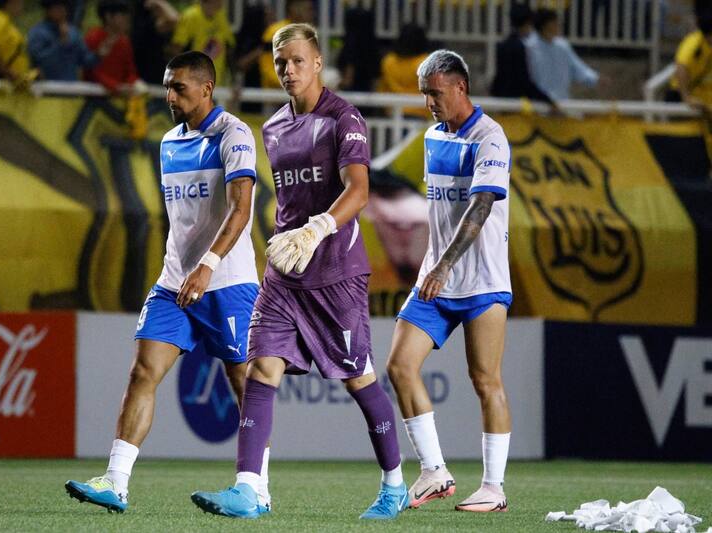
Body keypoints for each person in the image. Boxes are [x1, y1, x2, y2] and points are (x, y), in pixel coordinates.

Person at [190, 23, 408, 521]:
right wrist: (290, 239)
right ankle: (250, 489)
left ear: (317, 64)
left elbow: (358, 191)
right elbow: (290, 199)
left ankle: (394, 484)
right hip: (286, 275)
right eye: (279, 61)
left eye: (296, 60)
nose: (287, 69)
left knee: (359, 380)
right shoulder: (272, 127)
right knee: (259, 369)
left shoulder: (344, 119)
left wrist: (317, 229)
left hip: (336, 274)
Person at [65, 51, 271, 514]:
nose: (169, 95)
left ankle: (256, 489)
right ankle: (115, 483)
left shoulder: (234, 134)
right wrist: (184, 267)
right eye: (166, 86)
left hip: (228, 282)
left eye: (178, 87)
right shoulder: (168, 142)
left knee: (245, 385)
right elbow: (183, 221)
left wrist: (208, 265)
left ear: (206, 88)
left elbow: (241, 211)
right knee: (142, 372)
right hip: (175, 282)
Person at [385, 49, 513, 513]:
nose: (428, 103)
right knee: (399, 366)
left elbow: (480, 208)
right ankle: (434, 470)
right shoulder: (432, 137)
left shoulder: (491, 138)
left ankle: (493, 489)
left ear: (460, 87)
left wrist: (444, 265)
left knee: (485, 380)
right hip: (435, 282)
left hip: (480, 281)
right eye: (423, 94)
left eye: (434, 93)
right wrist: (433, 267)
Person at [526, 8, 600, 101]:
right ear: (545, 25)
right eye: (555, 23)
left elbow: (577, 68)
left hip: (562, 102)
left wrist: (595, 79)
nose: (559, 25)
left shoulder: (562, 46)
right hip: (537, 104)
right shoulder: (529, 47)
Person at [490, 3, 554, 107]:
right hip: (514, 103)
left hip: (501, 100)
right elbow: (524, 81)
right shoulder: (520, 47)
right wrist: (548, 100)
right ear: (528, 23)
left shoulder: (502, 45)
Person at [170, 0, 235, 86]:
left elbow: (230, 48)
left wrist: (234, 82)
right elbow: (176, 50)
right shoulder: (191, 16)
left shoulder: (221, 16)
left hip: (217, 85)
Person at [28, 0, 98, 81]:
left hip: (71, 86)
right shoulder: (38, 32)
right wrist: (61, 43)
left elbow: (84, 60)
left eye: (64, 8)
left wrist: (98, 55)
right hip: (46, 86)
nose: (63, 11)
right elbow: (39, 62)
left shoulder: (73, 32)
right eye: (58, 8)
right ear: (48, 11)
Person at [84, 0, 140, 94]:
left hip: (119, 96)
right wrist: (115, 86)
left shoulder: (125, 42)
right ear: (108, 17)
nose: (127, 19)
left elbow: (130, 71)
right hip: (95, 96)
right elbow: (91, 72)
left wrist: (133, 83)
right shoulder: (93, 37)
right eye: (122, 14)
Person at [378, 23, 432, 118]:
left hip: (393, 113)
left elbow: (383, 87)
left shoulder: (388, 61)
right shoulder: (425, 62)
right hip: (420, 114)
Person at [258, 0, 314, 89]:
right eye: (308, 9)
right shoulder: (275, 32)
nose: (312, 14)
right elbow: (267, 68)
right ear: (293, 9)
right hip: (277, 95)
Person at [0, 0, 36, 84]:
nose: (22, 7)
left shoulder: (8, 21)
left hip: (17, 82)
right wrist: (8, 72)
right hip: (4, 82)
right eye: (20, 3)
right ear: (11, 2)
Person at [666, 11, 712, 110]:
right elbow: (681, 67)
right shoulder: (694, 43)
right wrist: (686, 98)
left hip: (701, 96)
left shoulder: (708, 45)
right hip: (679, 95)